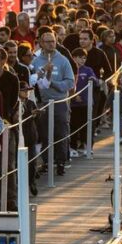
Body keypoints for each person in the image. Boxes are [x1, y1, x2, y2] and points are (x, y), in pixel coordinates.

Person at [32, 31, 75, 176]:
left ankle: (61, 161)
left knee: (61, 132)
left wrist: (52, 83)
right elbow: (32, 79)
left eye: (53, 41)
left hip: (60, 102)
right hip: (43, 103)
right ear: (41, 43)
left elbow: (69, 82)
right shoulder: (36, 61)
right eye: (48, 41)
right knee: (45, 134)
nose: (51, 44)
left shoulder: (63, 60)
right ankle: (46, 161)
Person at [70, 48, 99, 156]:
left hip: (86, 103)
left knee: (87, 126)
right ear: (73, 58)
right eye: (80, 58)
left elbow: (95, 80)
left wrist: (92, 79)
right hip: (74, 104)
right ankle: (72, 147)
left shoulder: (88, 70)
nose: (83, 60)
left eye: (84, 58)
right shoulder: (71, 70)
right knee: (73, 126)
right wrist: (74, 96)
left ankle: (87, 146)